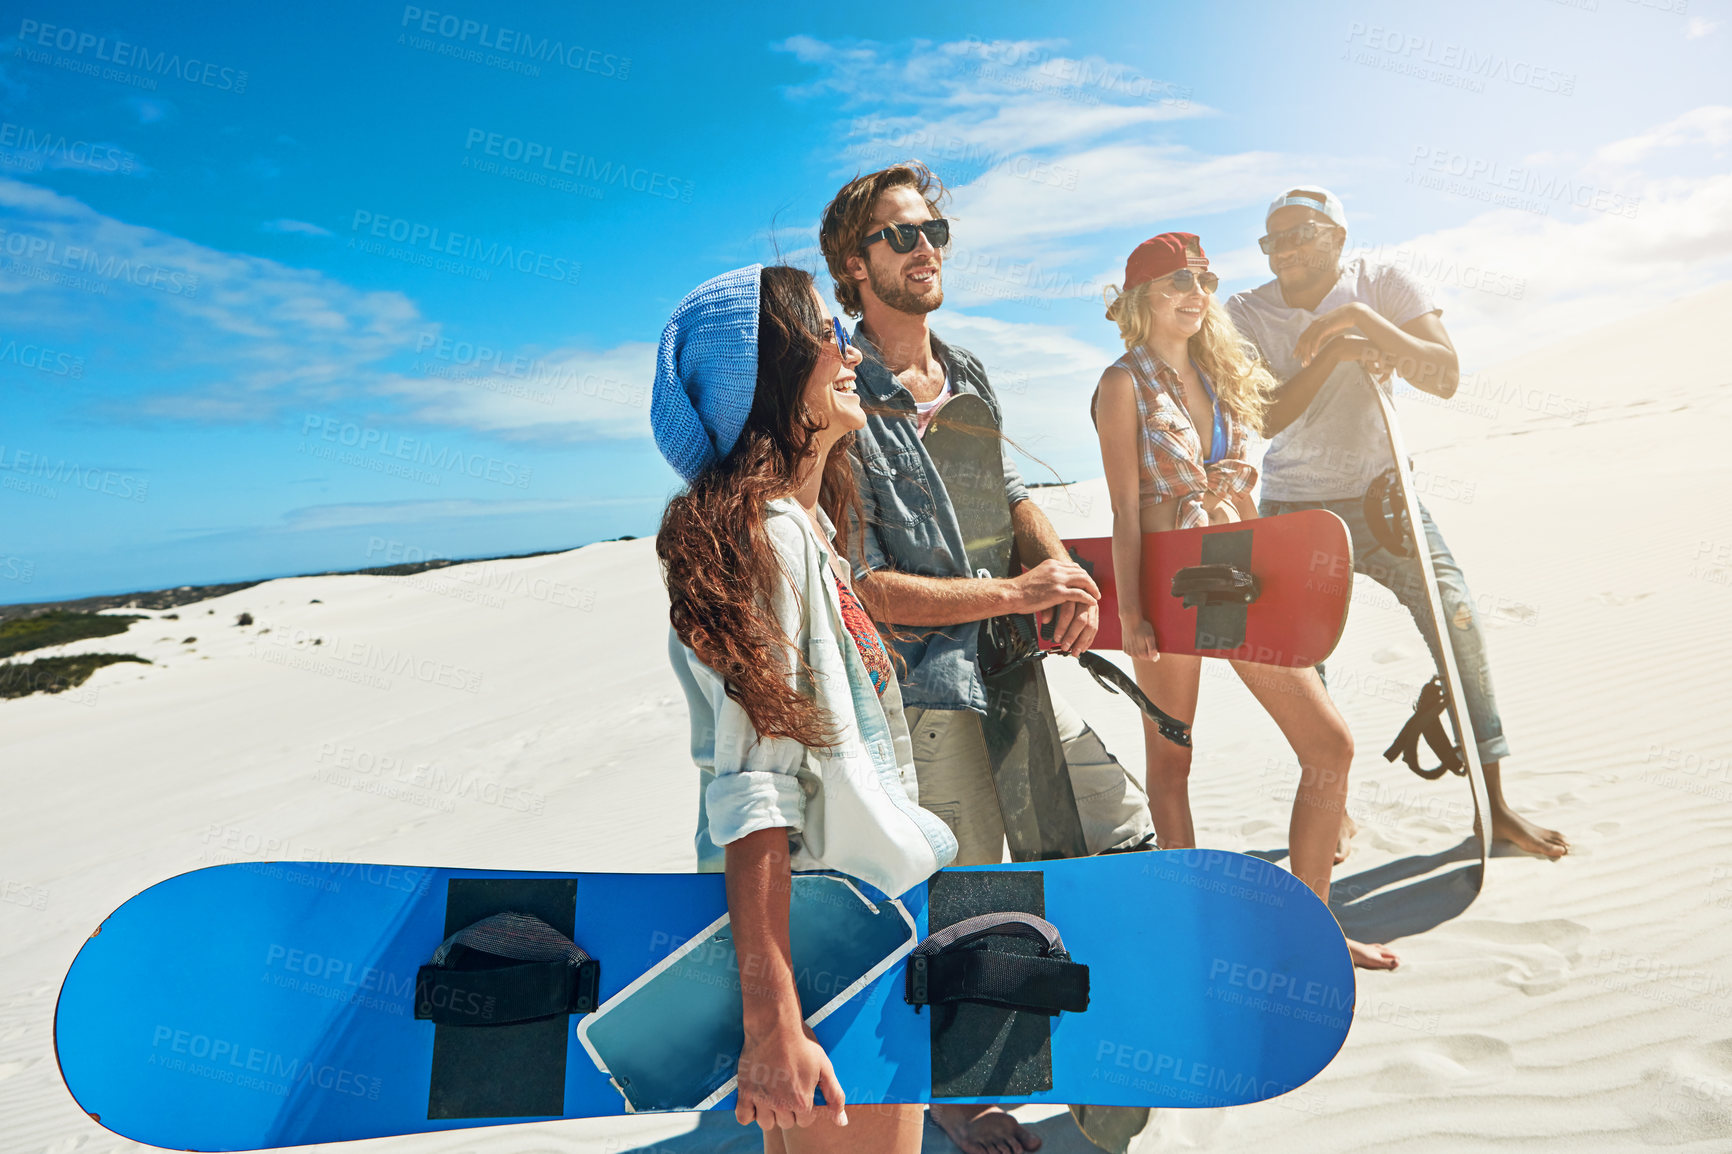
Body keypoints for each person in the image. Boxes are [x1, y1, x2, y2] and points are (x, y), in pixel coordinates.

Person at [820, 162, 1155, 1154]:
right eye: (901, 234)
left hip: (1015, 672)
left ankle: (1099, 1062)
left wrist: (1053, 561)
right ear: (855, 261)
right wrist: (1018, 591)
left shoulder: (961, 371)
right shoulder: (836, 395)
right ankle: (957, 1095)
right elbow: (864, 585)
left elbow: (1005, 488)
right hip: (921, 696)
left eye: (935, 230)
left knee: (1117, 830)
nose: (927, 247)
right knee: (960, 903)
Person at [653, 263, 958, 1154]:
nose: (850, 348)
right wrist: (772, 1021)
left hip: (855, 926)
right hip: (831, 945)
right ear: (770, 375)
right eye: (826, 334)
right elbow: (756, 796)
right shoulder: (769, 543)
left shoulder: (804, 534)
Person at [1226, 187, 1568, 860]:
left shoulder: (1381, 283)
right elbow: (1263, 419)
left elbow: (1442, 375)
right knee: (1302, 662)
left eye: (1301, 233)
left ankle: (1493, 808)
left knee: (1457, 620)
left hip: (1389, 500)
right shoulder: (1244, 312)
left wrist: (1361, 321)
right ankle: (1334, 814)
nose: (1284, 250)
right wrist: (1336, 353)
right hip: (1295, 506)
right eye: (1273, 240)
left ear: (1339, 237)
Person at [1092, 231, 1398, 972]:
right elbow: (1128, 513)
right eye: (1177, 282)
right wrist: (1131, 614)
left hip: (1235, 576)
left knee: (1329, 747)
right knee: (1171, 767)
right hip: (1167, 587)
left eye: (1204, 278)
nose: (1196, 293)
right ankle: (1189, 939)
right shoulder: (1121, 384)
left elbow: (1252, 474)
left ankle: (1310, 928)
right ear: (1142, 299)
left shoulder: (1223, 372)